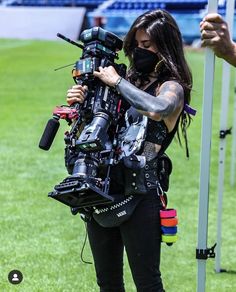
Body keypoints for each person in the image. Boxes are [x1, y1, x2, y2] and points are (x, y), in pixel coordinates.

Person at [67, 9, 193, 292]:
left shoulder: (171, 87)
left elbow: (159, 109)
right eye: (136, 45)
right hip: (102, 188)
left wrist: (117, 83)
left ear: (166, 47)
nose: (139, 51)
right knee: (108, 283)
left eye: (147, 45)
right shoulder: (123, 83)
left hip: (141, 193)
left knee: (148, 284)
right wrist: (81, 101)